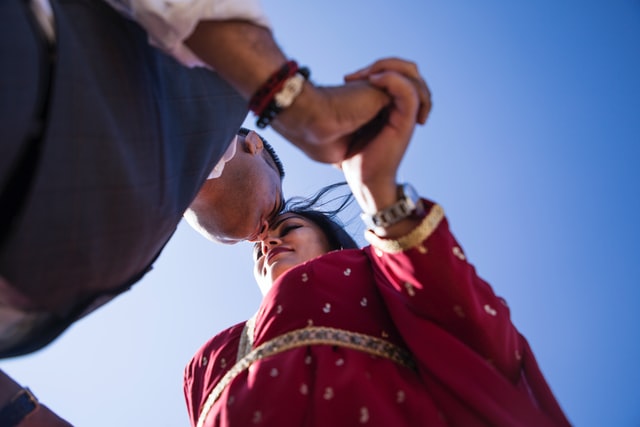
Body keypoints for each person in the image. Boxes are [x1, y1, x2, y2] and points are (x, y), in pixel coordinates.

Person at [1, 0, 431, 421]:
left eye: (266, 243)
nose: (267, 240)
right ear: (255, 145)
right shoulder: (215, 76)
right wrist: (300, 102)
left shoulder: (140, 264)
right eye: (283, 215)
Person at [183, 66, 572, 426]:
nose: (267, 239)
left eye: (289, 227)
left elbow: (470, 321)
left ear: (336, 248)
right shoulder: (208, 360)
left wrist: (378, 191)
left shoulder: (378, 276)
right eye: (256, 247)